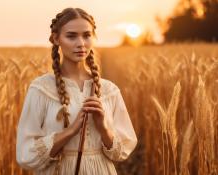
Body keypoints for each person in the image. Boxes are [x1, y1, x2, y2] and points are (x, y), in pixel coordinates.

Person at [16, 7, 137, 175]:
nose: (81, 43)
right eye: (71, 36)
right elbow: (25, 154)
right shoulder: (41, 89)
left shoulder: (109, 90)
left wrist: (103, 128)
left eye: (86, 35)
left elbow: (122, 151)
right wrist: (70, 131)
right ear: (56, 39)